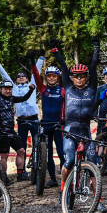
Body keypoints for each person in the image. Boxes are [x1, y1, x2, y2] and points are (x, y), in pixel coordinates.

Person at [54, 37, 106, 212]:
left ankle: (98, 200)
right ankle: (63, 188)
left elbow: (93, 64)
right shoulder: (68, 87)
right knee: (68, 160)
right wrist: (56, 51)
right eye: (76, 76)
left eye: (82, 76)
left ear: (86, 78)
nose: (79, 79)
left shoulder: (92, 87)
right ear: (72, 78)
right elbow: (62, 66)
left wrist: (96, 47)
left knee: (92, 164)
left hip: (84, 129)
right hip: (70, 129)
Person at [0, 80, 35, 183]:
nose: (8, 91)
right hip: (2, 132)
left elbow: (23, 98)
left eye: (10, 89)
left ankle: (20, 174)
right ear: (0, 89)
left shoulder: (11, 98)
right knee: (4, 155)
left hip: (11, 131)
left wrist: (31, 90)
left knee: (21, 151)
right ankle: (4, 177)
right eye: (6, 89)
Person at [0, 53, 44, 168]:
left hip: (34, 119)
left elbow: (36, 72)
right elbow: (5, 76)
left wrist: (41, 58)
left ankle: (37, 163)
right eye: (19, 76)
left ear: (27, 78)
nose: (21, 77)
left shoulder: (32, 85)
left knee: (37, 143)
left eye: (23, 76)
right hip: (22, 121)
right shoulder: (14, 88)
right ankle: (21, 171)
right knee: (22, 146)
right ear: (16, 80)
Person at [32, 53, 65, 188]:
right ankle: (53, 179)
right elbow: (35, 76)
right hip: (46, 125)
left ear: (57, 77)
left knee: (62, 152)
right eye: (49, 76)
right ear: (46, 78)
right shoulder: (43, 89)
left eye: (54, 76)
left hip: (58, 125)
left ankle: (65, 178)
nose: (51, 78)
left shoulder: (62, 89)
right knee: (48, 154)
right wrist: (32, 62)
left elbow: (65, 78)